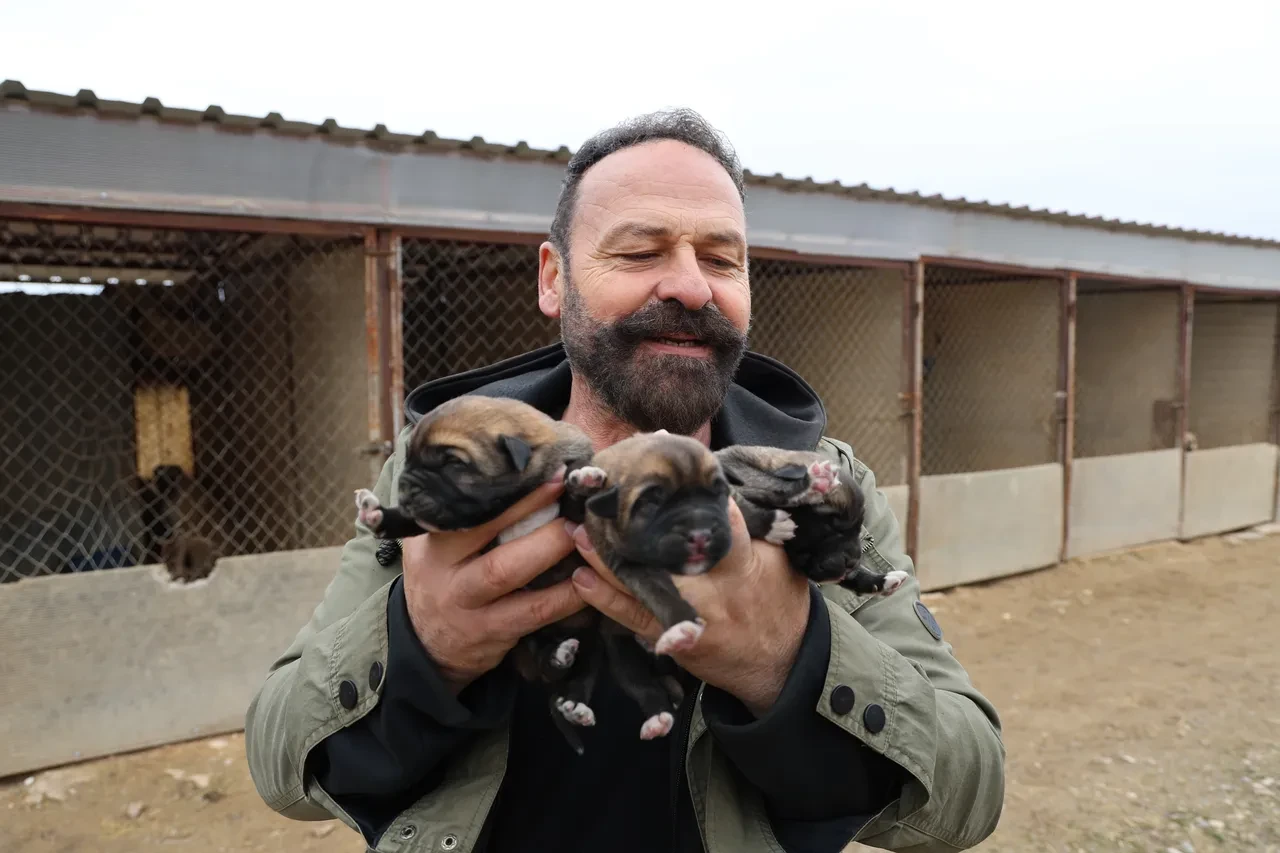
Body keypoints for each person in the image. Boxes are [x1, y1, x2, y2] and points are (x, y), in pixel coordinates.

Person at [244, 108, 1005, 853]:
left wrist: (787, 659)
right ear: (554, 279)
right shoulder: (442, 474)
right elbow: (280, 758)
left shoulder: (816, 488)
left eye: (721, 257)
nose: (690, 286)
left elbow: (971, 791)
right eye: (640, 251)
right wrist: (421, 647)